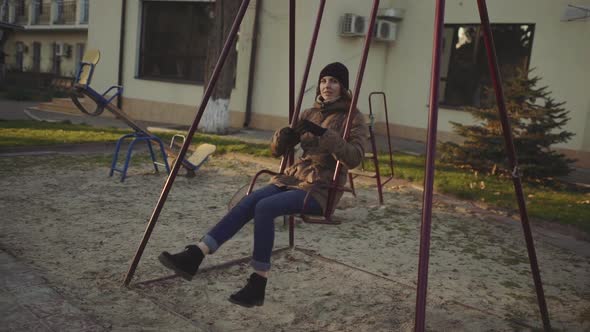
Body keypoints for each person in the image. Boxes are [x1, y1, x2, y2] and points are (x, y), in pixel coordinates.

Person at [158, 62, 369, 307]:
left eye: (333, 81)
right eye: (323, 81)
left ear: (343, 87)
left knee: (265, 208)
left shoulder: (353, 118)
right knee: (250, 200)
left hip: (321, 189)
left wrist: (324, 134)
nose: (327, 86)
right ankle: (196, 254)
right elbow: (276, 152)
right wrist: (284, 138)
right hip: (293, 178)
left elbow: (354, 158)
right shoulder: (309, 113)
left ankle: (258, 282)